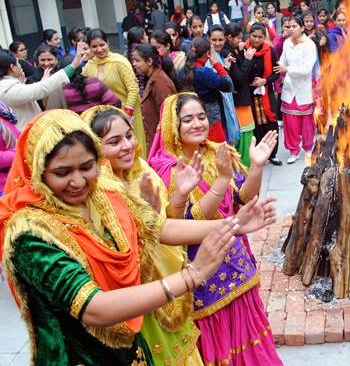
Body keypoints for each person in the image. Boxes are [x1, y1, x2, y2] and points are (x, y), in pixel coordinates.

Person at [0, 109, 277, 364]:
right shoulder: (30, 232)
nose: (78, 181)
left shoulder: (104, 192)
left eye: (86, 167)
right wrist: (192, 275)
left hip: (132, 347)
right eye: (62, 172)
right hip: (78, 356)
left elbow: (158, 228)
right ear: (37, 172)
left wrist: (232, 225)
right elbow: (94, 308)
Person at [147, 93, 283, 366]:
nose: (198, 124)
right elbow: (191, 222)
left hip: (236, 263)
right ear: (173, 125)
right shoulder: (165, 169)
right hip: (204, 274)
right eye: (187, 119)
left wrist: (257, 166)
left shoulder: (217, 151)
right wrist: (221, 181)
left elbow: (244, 197)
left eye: (201, 117)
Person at [83, 106, 204, 365]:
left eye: (129, 135)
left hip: (170, 284)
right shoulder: (95, 193)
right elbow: (123, 251)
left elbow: (169, 226)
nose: (127, 145)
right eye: (114, 142)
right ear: (93, 149)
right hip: (137, 299)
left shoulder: (141, 171)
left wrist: (180, 196)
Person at [83, 28, 147, 159]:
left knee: (133, 153)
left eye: (102, 45)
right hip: (104, 122)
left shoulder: (119, 62)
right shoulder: (89, 66)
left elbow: (133, 89)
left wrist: (127, 114)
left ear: (107, 43)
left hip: (128, 117)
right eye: (94, 46)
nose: (99, 49)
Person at [0, 45, 85, 129]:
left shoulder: (9, 85)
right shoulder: (7, 90)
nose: (20, 66)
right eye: (18, 63)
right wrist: (73, 65)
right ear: (12, 67)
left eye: (49, 59)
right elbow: (42, 88)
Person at [273, 16, 317, 163]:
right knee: (290, 123)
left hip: (304, 89)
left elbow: (306, 69)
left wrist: (287, 69)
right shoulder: (286, 43)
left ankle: (309, 148)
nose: (291, 29)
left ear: (302, 28)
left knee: (306, 123)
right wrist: (276, 66)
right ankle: (293, 150)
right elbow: (283, 61)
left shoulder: (310, 45)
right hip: (290, 88)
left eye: (294, 27)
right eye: (288, 27)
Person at [180, 37, 234, 143]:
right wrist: (216, 62)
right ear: (207, 53)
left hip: (190, 118)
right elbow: (229, 85)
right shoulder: (204, 72)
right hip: (210, 120)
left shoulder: (183, 71)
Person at [132, 43, 179, 153]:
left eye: (137, 60)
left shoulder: (160, 82)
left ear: (149, 61)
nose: (134, 64)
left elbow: (168, 119)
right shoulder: (154, 78)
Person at [246, 23, 282, 165]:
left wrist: (264, 81)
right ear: (249, 35)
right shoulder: (244, 50)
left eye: (260, 37)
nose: (257, 40)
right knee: (256, 124)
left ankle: (272, 154)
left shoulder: (270, 51)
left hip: (266, 93)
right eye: (254, 36)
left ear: (265, 37)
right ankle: (259, 154)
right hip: (250, 94)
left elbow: (276, 74)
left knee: (270, 124)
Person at [222, 23, 257, 166]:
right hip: (239, 102)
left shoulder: (234, 50)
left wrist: (242, 54)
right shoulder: (227, 53)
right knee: (244, 138)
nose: (240, 40)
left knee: (248, 136)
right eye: (238, 38)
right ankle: (244, 170)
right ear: (229, 37)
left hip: (242, 100)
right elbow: (240, 78)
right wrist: (248, 59)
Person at [49, 49, 122, 113]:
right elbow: (116, 103)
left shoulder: (59, 90)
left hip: (74, 127)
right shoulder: (95, 83)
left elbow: (52, 115)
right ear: (80, 67)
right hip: (98, 126)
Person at [208, 25, 241, 145]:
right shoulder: (209, 57)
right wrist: (225, 67)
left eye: (220, 40)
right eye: (214, 40)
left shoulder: (221, 55)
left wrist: (225, 66)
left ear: (225, 39)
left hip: (222, 101)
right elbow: (217, 79)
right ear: (208, 39)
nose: (217, 43)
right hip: (215, 102)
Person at [0, 102, 19, 195]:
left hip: (16, 181)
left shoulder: (3, 112)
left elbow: (17, 134)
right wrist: (19, 151)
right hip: (2, 188)